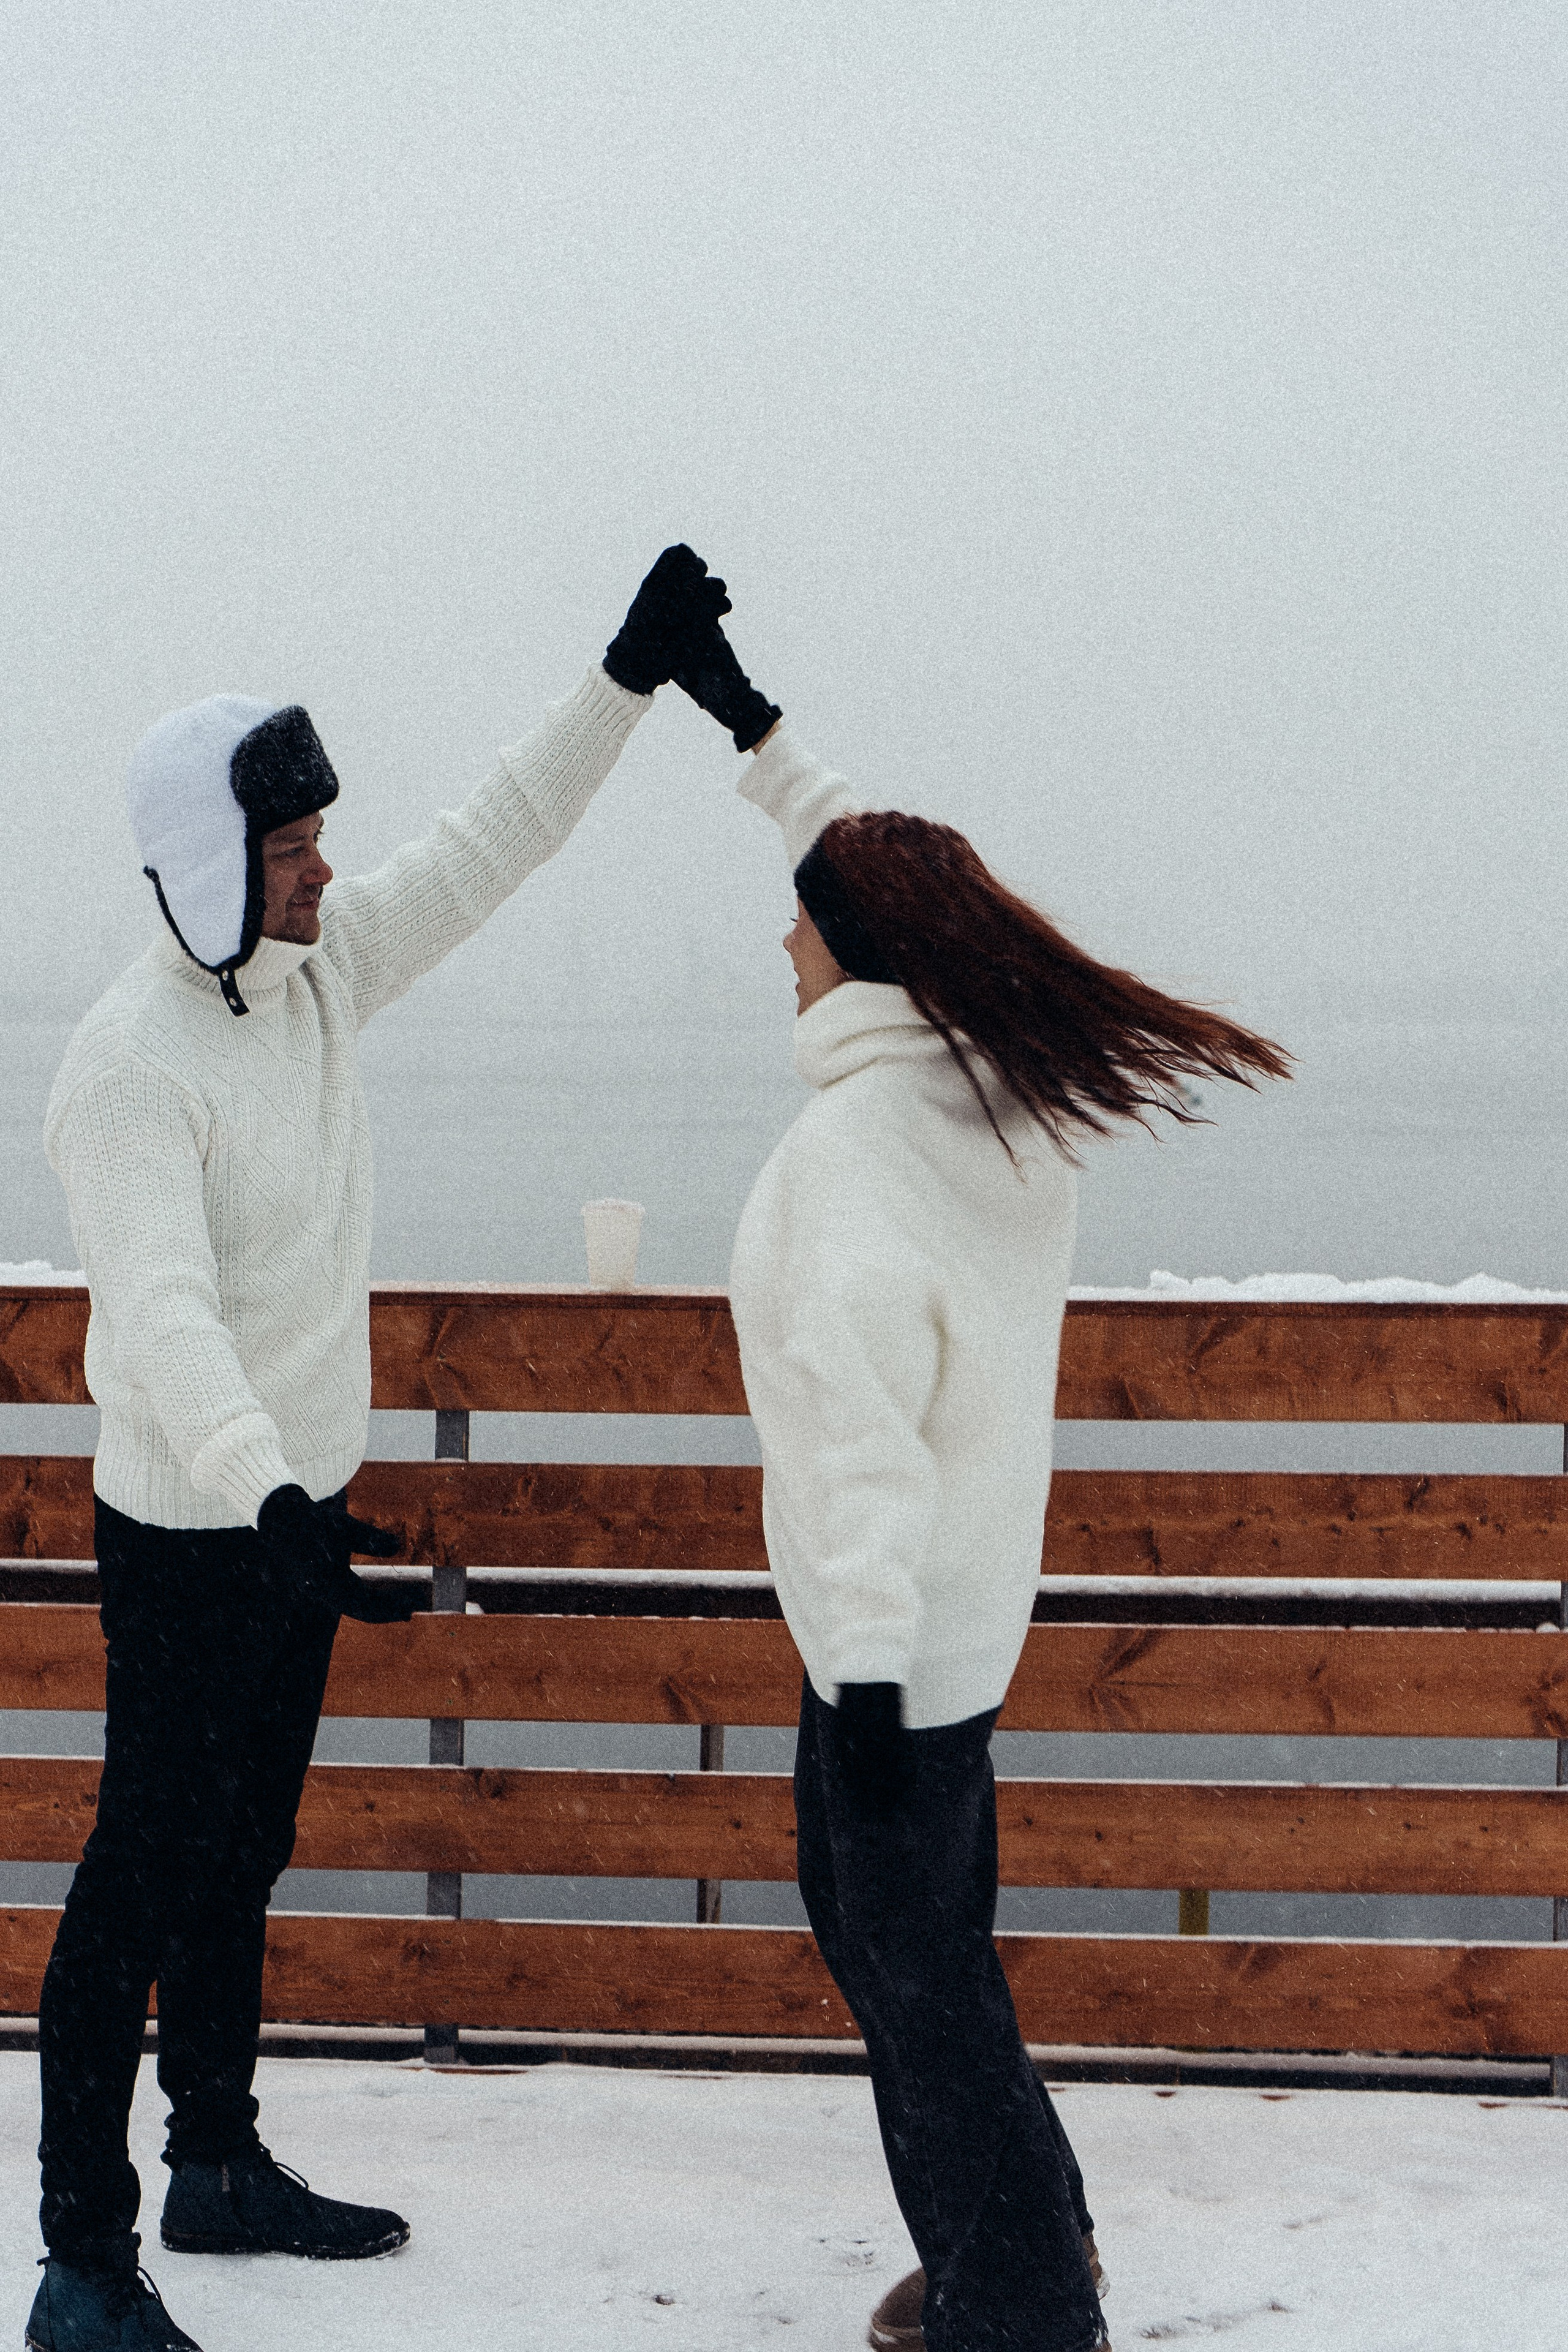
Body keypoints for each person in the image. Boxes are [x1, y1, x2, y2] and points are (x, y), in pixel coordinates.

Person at [28, 546, 731, 2352]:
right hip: (196, 1530)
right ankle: (82, 2266)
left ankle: (218, 2164)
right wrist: (267, 1489)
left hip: (294, 1511)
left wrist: (625, 681)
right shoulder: (129, 1068)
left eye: (322, 837)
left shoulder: (317, 981)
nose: (329, 866)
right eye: (291, 846)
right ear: (206, 862)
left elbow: (496, 843)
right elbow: (165, 1317)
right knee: (138, 1878)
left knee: (246, 1846)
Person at [673, 620, 1290, 2352]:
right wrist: (756, 729)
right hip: (962, 1635)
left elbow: (857, 1439)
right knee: (933, 1964)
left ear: (861, 960)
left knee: (913, 1983)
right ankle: (1021, 2252)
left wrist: (857, 1673)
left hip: (887, 1656)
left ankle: (1013, 2299)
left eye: (799, 923)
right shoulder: (994, 1096)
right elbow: (879, 874)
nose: (778, 939)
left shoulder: (851, 1161)